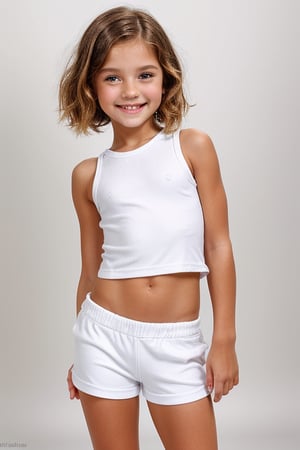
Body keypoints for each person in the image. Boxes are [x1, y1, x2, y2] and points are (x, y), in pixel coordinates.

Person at [59, 6, 239, 450]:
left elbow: (217, 246)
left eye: (145, 74)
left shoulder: (193, 148)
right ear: (91, 85)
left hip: (176, 343)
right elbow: (89, 271)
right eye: (112, 77)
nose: (130, 91)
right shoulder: (88, 174)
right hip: (101, 338)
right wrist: (80, 354)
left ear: (166, 79)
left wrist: (224, 340)